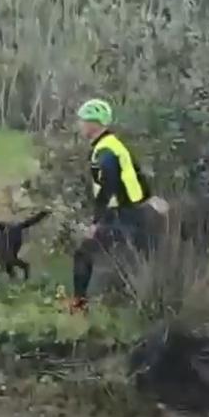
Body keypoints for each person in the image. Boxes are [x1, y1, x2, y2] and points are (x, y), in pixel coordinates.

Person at [69, 98, 155, 313]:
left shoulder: (105, 151)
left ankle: (79, 306)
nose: (80, 124)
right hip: (133, 212)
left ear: (94, 124)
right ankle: (131, 304)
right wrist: (149, 198)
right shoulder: (113, 145)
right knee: (131, 260)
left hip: (123, 214)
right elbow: (137, 174)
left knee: (84, 253)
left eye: (83, 120)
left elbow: (109, 186)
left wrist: (96, 222)